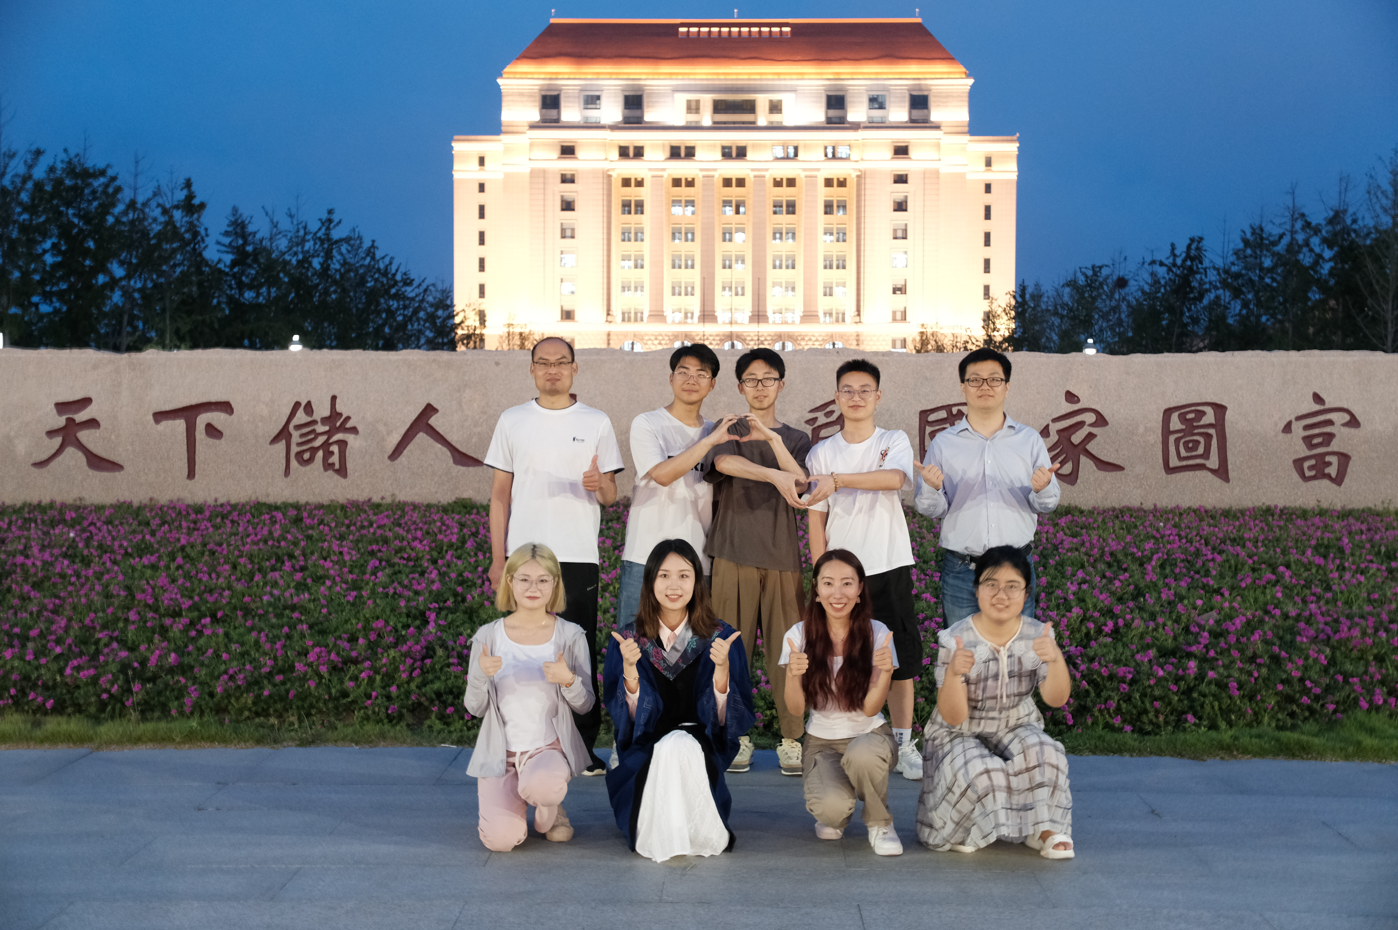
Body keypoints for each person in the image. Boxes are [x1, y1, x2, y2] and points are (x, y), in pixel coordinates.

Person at [485, 336, 624, 774]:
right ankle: (519, 743)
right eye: (543, 363)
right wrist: (498, 559)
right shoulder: (512, 420)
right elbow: (499, 496)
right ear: (531, 369)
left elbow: (611, 495)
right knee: (522, 649)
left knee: (576, 652)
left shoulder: (596, 421)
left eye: (561, 362)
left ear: (574, 368)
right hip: (524, 558)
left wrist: (599, 484)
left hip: (577, 555)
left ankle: (580, 749)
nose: (552, 369)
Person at [703, 347, 821, 776]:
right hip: (732, 552)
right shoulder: (726, 429)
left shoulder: (797, 438)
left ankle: (792, 738)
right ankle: (736, 736)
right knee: (731, 652)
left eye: (768, 379)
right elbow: (723, 461)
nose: (760, 386)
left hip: (782, 556)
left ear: (781, 384)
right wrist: (772, 474)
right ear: (740, 387)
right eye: (751, 380)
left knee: (788, 651)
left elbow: (802, 483)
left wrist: (772, 443)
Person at [805, 359, 923, 781]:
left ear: (878, 396)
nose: (856, 397)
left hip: (888, 563)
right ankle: (844, 739)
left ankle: (904, 742)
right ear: (836, 397)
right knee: (840, 655)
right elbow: (816, 517)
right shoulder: (821, 452)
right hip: (841, 576)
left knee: (898, 659)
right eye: (848, 390)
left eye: (864, 390)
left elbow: (894, 479)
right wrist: (821, 576)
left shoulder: (893, 439)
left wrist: (837, 480)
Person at [916, 545, 1074, 858]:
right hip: (960, 729)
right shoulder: (956, 638)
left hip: (1015, 720)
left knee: (1047, 754)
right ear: (976, 590)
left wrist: (1055, 659)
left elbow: (1055, 699)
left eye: (1012, 586)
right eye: (991, 584)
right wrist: (954, 674)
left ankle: (1042, 829)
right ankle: (964, 827)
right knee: (981, 769)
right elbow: (953, 715)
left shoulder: (1038, 635)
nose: (1001, 595)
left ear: (1026, 593)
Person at [604, 539, 756, 862]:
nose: (674, 586)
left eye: (684, 576)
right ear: (650, 581)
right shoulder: (629, 640)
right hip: (647, 746)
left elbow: (729, 723)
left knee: (681, 745)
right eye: (664, 576)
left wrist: (722, 671)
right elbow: (627, 723)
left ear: (697, 582)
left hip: (701, 743)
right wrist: (630, 672)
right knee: (672, 746)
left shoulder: (720, 638)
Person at [913, 347, 1060, 627]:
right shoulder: (944, 443)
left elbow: (1047, 504)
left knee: (1017, 647)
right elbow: (931, 509)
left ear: (1007, 387)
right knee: (962, 647)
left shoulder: (1029, 440)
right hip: (962, 570)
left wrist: (1042, 489)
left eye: (994, 379)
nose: (985, 386)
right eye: (975, 380)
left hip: (1015, 568)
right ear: (963, 387)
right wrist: (931, 489)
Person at [463, 543, 597, 851]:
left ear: (555, 584)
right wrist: (480, 675)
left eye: (543, 580)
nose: (533, 588)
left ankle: (548, 801)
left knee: (544, 787)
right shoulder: (488, 636)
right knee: (500, 841)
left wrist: (568, 680)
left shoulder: (571, 636)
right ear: (510, 581)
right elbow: (475, 708)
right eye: (524, 579)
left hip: (547, 750)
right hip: (501, 755)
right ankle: (520, 799)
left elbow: (585, 704)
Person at [779, 549, 904, 856]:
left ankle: (880, 822)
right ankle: (840, 799)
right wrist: (793, 674)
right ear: (816, 590)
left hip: (869, 736)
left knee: (862, 754)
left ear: (860, 589)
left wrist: (885, 673)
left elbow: (871, 709)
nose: (838, 593)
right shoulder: (798, 635)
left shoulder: (878, 634)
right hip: (822, 743)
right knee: (831, 814)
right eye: (828, 583)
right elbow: (796, 710)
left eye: (847, 583)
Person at [619, 344, 744, 632]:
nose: (691, 379)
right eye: (683, 372)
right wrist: (709, 442)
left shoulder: (715, 431)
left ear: (712, 384)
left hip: (696, 559)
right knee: (634, 643)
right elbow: (662, 474)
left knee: (692, 647)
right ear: (671, 378)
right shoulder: (648, 423)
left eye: (701, 374)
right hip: (645, 556)